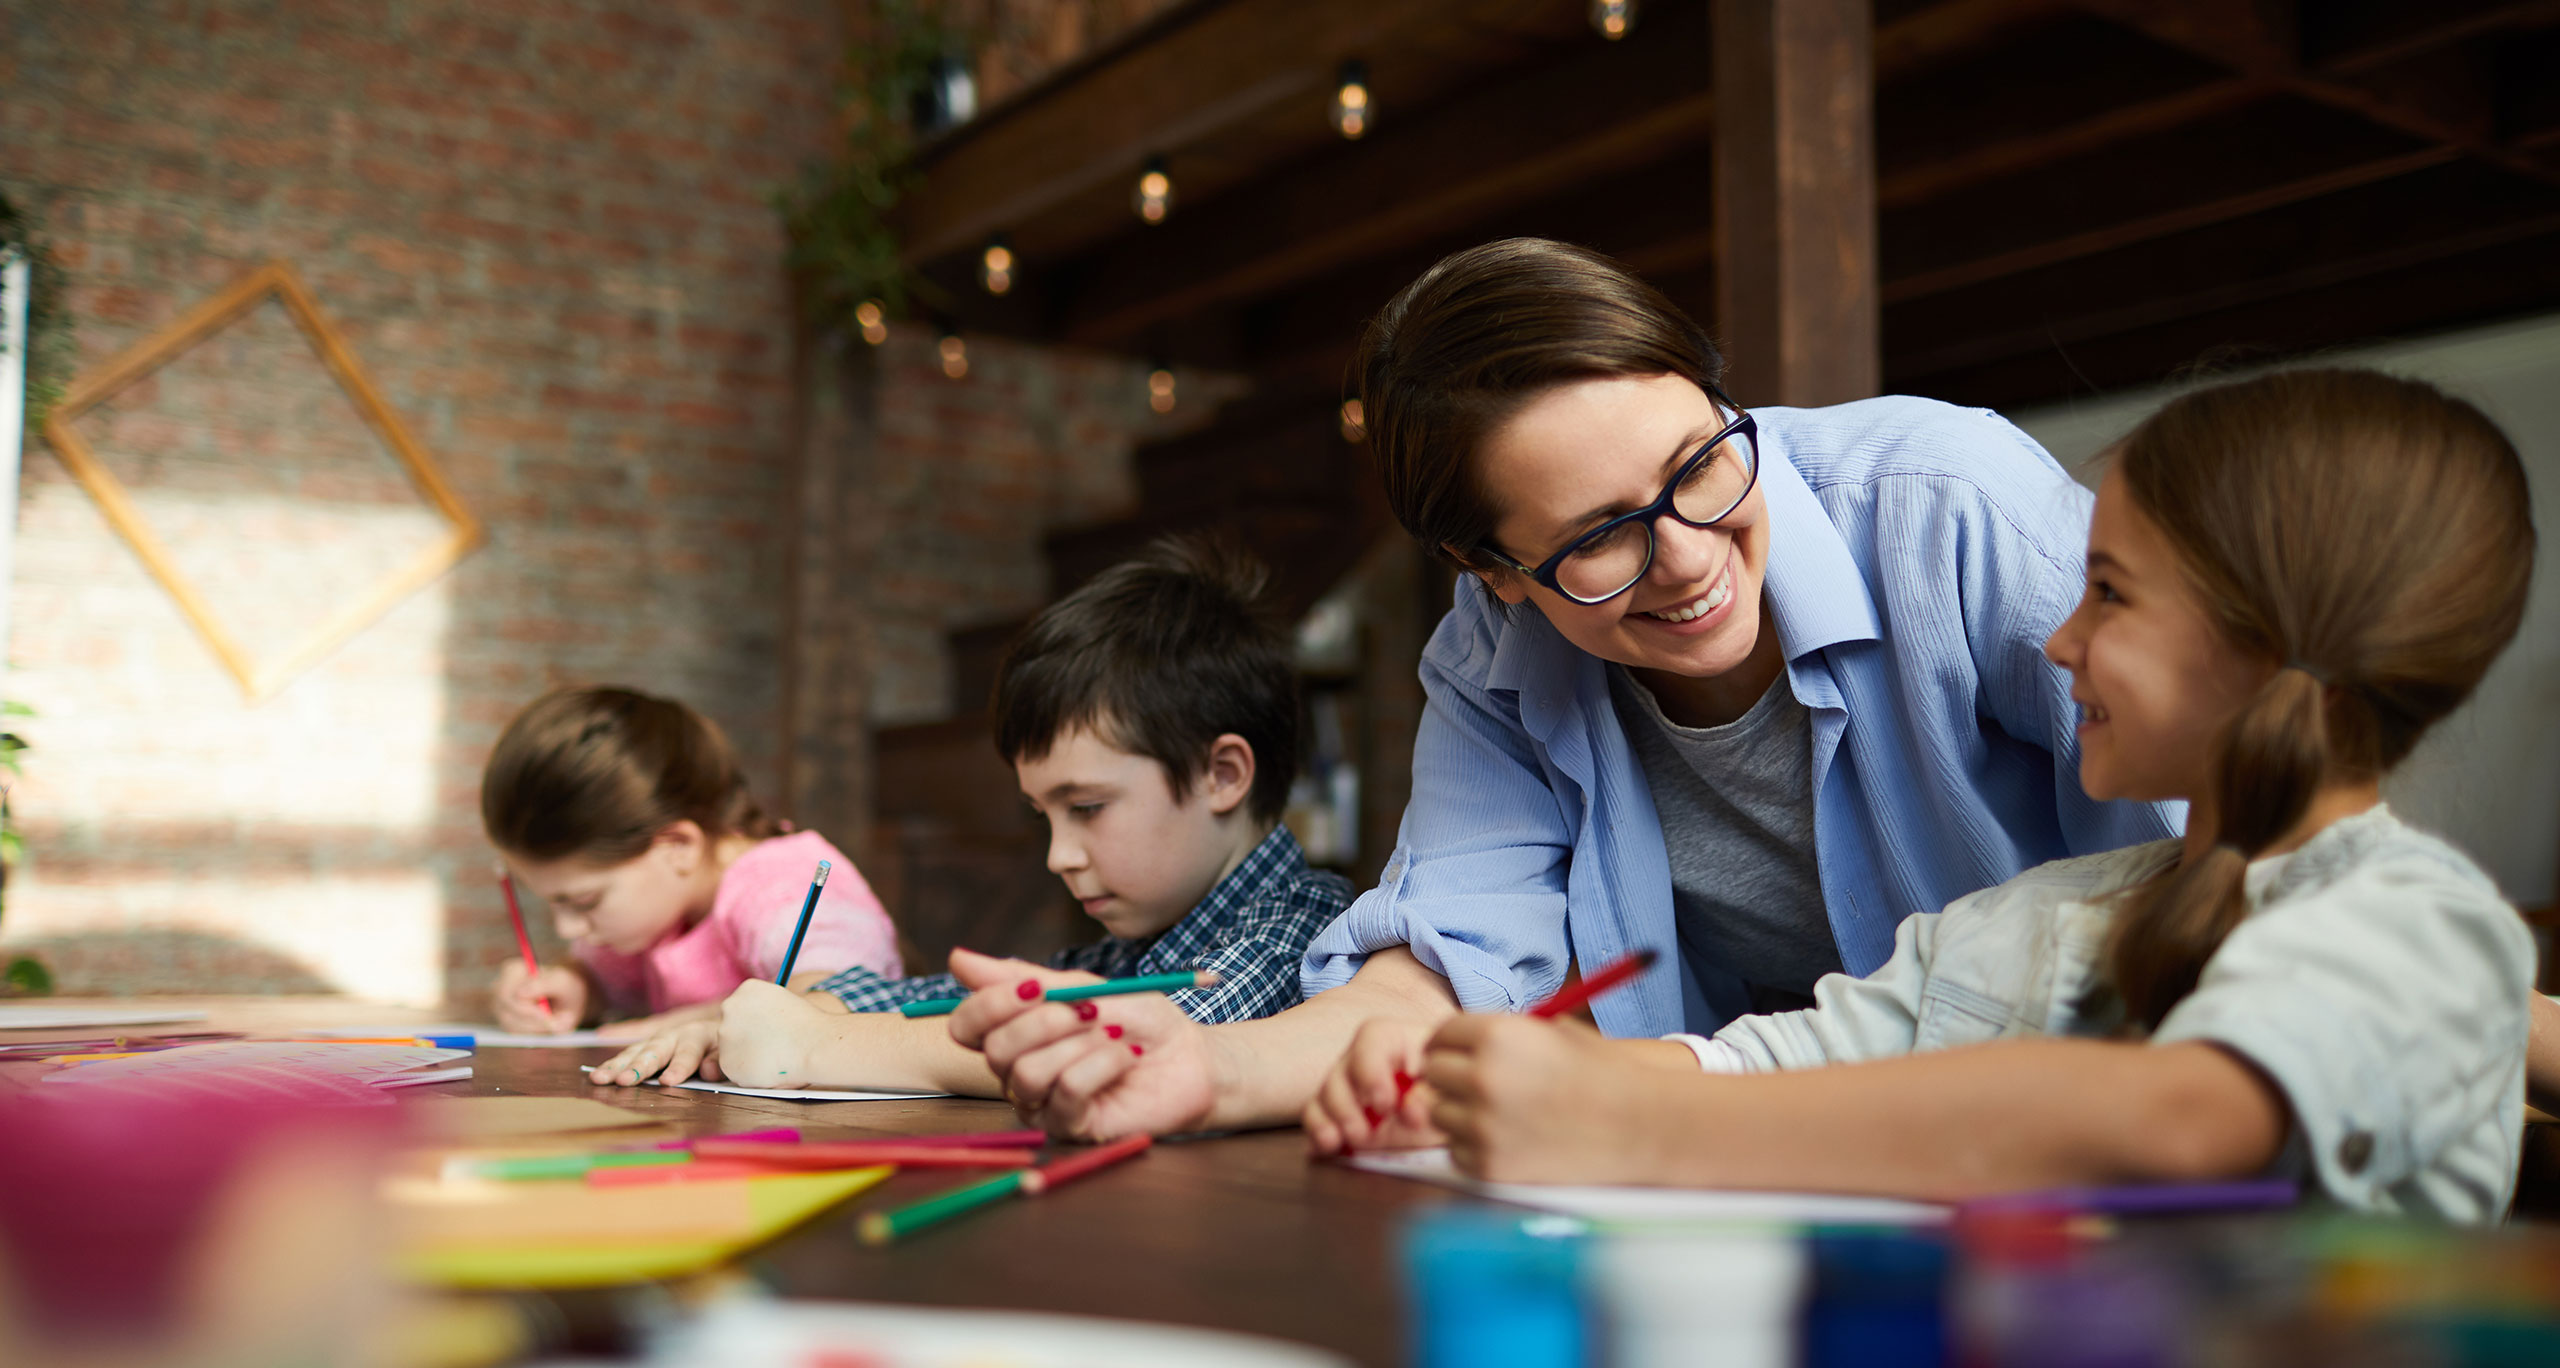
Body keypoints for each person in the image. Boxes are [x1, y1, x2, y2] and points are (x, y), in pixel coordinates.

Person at [951, 237, 2177, 1141]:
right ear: (1490, 575)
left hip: (2095, 1111)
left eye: (1699, 462)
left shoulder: (1952, 512)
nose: (1690, 554)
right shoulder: (1493, 658)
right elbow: (1443, 966)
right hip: (1775, 1143)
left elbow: (2238, 846)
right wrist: (1206, 1069)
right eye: (1600, 536)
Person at [1416, 369, 2536, 1222]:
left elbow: (2182, 1121)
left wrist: (1637, 1122)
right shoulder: (2038, 916)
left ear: (2259, 638)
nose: (2057, 638)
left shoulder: (2415, 922)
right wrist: (1490, 1079)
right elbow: (1781, 1057)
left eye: (2108, 593)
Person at [588, 537, 1354, 1095]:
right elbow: (947, 1001)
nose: (1059, 856)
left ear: (1223, 774)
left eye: (1086, 807)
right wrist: (782, 1012)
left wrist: (820, 1045)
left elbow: (1131, 1050)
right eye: (1043, 816)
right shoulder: (1137, 949)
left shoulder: (1301, 927)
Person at [483, 686, 900, 1037]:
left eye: (586, 901)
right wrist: (574, 988)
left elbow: (839, 997)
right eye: (553, 902)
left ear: (678, 846)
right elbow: (609, 983)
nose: (567, 928)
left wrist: (671, 1027)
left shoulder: (784, 885)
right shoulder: (656, 907)